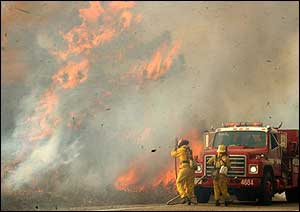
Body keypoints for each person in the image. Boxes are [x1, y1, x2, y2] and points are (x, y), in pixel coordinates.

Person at [171, 138, 195, 205]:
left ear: (180, 144)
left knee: (179, 182)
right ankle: (190, 198)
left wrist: (174, 149)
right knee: (189, 184)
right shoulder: (190, 150)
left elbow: (173, 154)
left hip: (184, 167)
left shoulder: (181, 150)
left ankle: (184, 196)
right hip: (191, 168)